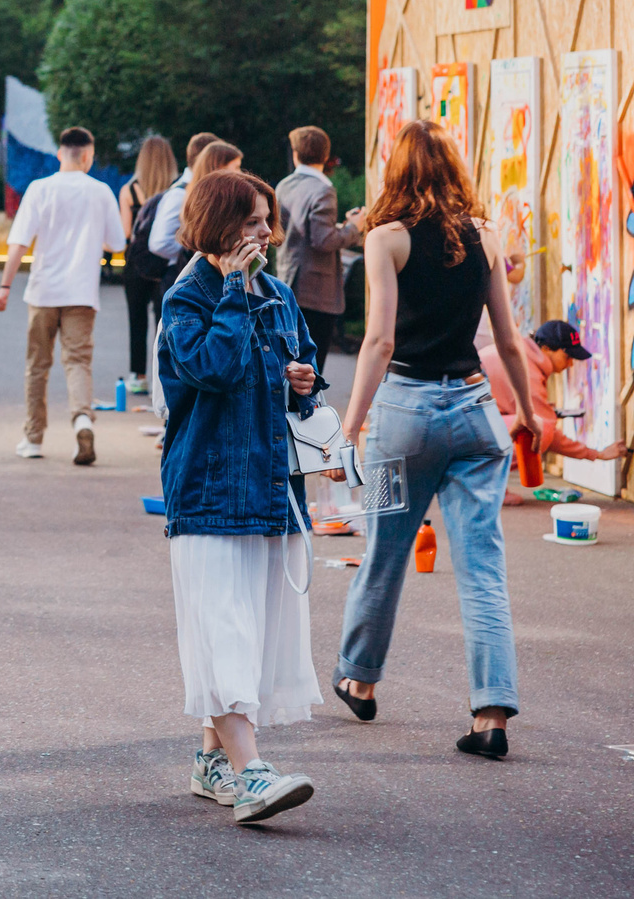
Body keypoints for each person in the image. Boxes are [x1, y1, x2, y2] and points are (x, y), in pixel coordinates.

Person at [331, 120, 539, 756]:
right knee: (483, 566)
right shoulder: (483, 236)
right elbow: (506, 339)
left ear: (396, 170)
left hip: (403, 421)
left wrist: (348, 428)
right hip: (477, 418)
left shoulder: (385, 239)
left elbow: (380, 341)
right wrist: (525, 412)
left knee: (386, 551)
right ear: (453, 168)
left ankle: (360, 682)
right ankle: (492, 713)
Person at [157, 169, 321, 827]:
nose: (265, 232)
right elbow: (215, 368)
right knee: (223, 627)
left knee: (247, 634)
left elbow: (303, 369)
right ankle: (252, 771)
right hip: (207, 489)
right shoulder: (186, 298)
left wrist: (304, 380)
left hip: (269, 487)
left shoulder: (278, 293)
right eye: (252, 220)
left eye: (266, 220)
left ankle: (210, 760)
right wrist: (230, 285)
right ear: (218, 224)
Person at [0, 125, 128, 467]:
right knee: (78, 361)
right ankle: (82, 419)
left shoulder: (39, 189)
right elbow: (118, 243)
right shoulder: (100, 192)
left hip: (42, 291)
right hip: (82, 292)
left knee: (37, 365)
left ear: (60, 154)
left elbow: (19, 242)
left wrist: (5, 286)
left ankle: (33, 438)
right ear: (87, 155)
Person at [477, 319, 622, 502]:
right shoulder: (527, 369)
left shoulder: (524, 355)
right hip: (466, 428)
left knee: (535, 424)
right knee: (539, 429)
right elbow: (547, 431)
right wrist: (596, 454)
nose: (570, 364)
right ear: (546, 348)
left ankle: (488, 486)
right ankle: (488, 489)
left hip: (465, 423)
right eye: (567, 356)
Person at [273, 126, 360, 371]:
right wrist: (354, 228)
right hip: (316, 294)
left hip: (286, 283)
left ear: (296, 154)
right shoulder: (323, 189)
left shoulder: (284, 186)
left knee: (288, 365)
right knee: (310, 368)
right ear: (325, 156)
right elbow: (323, 241)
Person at [118, 136, 180, 395]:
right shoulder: (176, 191)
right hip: (167, 262)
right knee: (164, 322)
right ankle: (162, 377)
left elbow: (126, 232)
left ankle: (139, 375)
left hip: (136, 263)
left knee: (136, 318)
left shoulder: (129, 190)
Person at [148, 130, 219, 277]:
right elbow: (159, 243)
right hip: (180, 272)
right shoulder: (180, 193)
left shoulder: (191, 190)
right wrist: (192, 253)